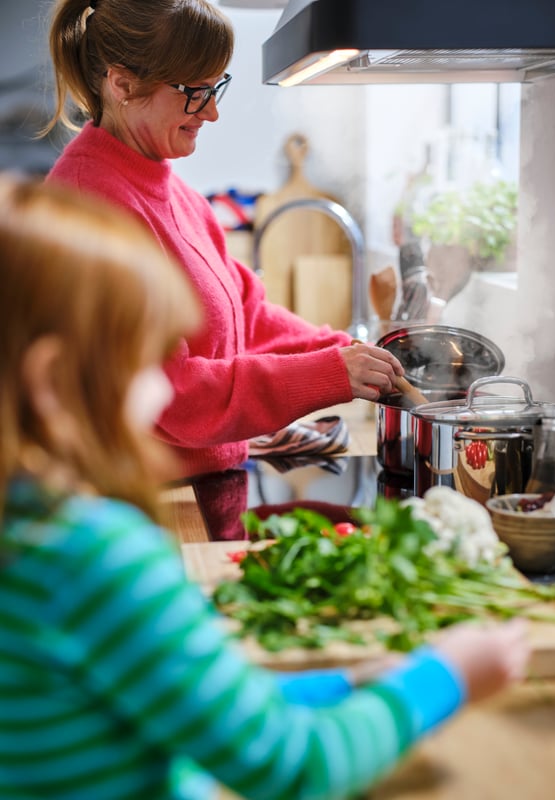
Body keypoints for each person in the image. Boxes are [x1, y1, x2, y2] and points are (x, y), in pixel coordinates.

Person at [0, 173, 530, 800]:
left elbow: (185, 699)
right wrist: (448, 677)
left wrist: (346, 685)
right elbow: (296, 767)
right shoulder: (95, 557)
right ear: (53, 380)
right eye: (143, 362)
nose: (166, 389)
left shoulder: (28, 533)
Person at [43, 0, 405, 481]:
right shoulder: (91, 209)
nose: (212, 112)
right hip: (139, 500)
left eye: (217, 87)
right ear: (123, 84)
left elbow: (247, 313)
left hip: (197, 475)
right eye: (195, 92)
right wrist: (330, 373)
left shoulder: (173, 192)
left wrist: (347, 353)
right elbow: (168, 392)